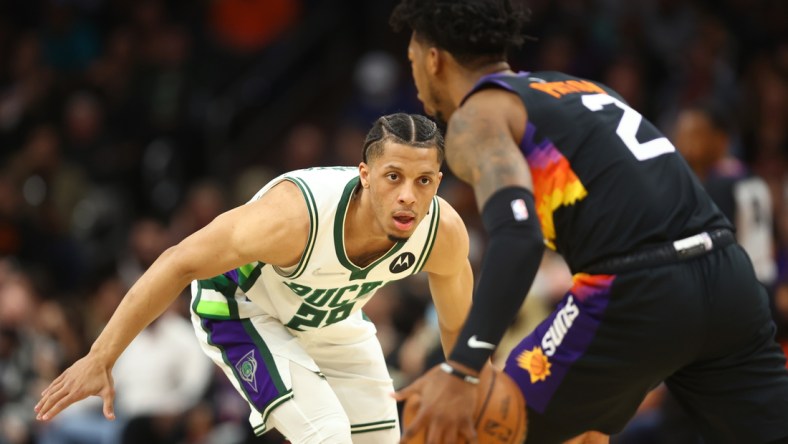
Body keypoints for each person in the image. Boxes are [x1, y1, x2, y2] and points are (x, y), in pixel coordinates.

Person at [389, 1, 788, 443]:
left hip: (637, 286)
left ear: (433, 59)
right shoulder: (580, 87)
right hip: (727, 274)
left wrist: (462, 367)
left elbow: (518, 235)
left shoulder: (477, 117)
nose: (416, 80)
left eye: (411, 61)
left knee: (478, 423)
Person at [34, 112, 474, 444]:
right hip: (240, 308)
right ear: (364, 175)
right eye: (393, 177)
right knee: (328, 434)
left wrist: (467, 384)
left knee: (379, 439)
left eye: (423, 182)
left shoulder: (443, 233)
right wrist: (100, 357)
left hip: (329, 315)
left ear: (438, 182)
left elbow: (458, 322)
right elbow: (178, 261)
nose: (407, 196)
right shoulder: (294, 217)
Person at [674, 101, 777, 287]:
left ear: (720, 139)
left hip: (739, 287)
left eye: (695, 135)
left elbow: (713, 254)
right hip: (765, 284)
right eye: (682, 135)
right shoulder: (752, 177)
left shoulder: (716, 186)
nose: (685, 144)